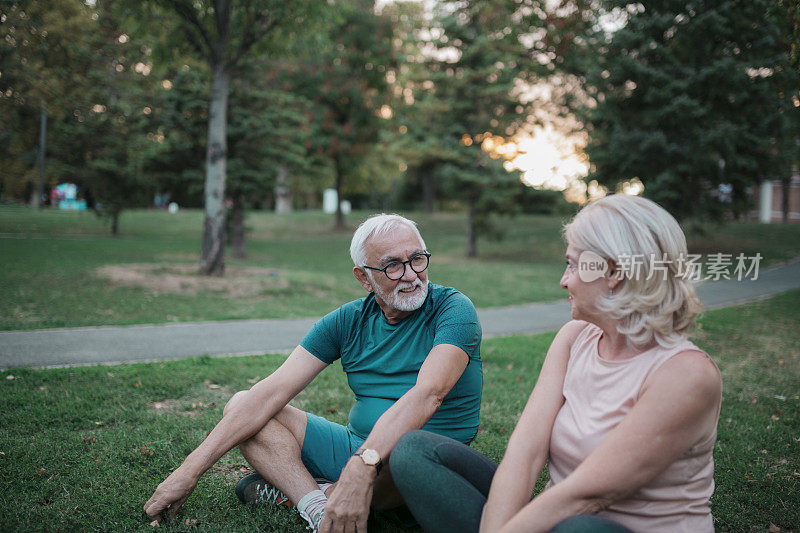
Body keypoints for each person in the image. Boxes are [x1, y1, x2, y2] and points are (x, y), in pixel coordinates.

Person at [390, 194, 722, 533]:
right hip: (555, 522)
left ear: (614, 274)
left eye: (574, 265)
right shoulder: (574, 337)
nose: (564, 280)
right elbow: (525, 454)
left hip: (596, 526)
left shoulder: (687, 374)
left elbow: (588, 495)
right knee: (416, 451)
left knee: (580, 528)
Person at [143, 213, 482, 532]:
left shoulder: (453, 309)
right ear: (363, 277)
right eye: (392, 265)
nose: (410, 275)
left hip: (420, 459)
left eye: (417, 259)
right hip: (354, 446)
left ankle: (311, 493)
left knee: (406, 454)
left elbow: (429, 393)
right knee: (243, 405)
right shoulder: (347, 321)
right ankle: (319, 507)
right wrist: (188, 472)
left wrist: (361, 467)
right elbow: (271, 392)